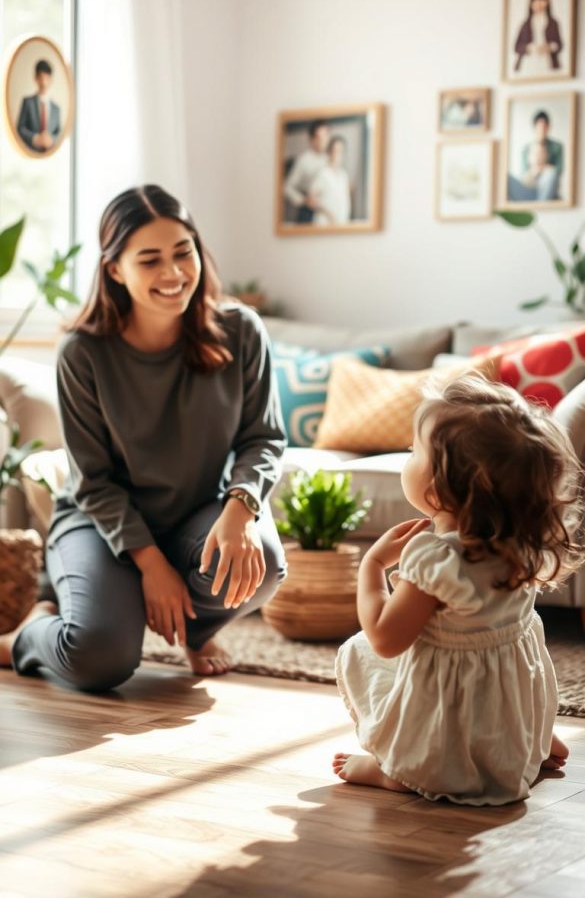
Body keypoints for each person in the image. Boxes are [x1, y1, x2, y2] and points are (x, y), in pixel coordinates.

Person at [0, 185, 287, 690]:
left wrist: (241, 508)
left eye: (183, 252)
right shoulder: (82, 352)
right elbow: (93, 480)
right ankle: (24, 636)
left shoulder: (241, 330)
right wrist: (151, 565)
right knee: (100, 659)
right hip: (98, 523)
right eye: (150, 260)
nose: (174, 274)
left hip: (194, 515)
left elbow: (263, 437)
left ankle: (196, 634)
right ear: (115, 270)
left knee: (260, 561)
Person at [333, 374, 584, 806]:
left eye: (414, 451)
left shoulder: (437, 560)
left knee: (360, 652)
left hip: (452, 716)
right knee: (489, 661)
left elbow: (385, 639)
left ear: (440, 486)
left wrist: (371, 566)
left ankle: (405, 769)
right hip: (501, 700)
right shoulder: (519, 545)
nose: (407, 457)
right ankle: (532, 742)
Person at [508, 110, 564, 202]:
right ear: (534, 127)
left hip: (547, 187)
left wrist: (543, 167)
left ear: (548, 127)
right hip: (529, 187)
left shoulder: (556, 147)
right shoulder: (526, 149)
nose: (542, 130)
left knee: (551, 174)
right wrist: (534, 171)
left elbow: (559, 169)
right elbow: (523, 174)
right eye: (539, 127)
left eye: (544, 126)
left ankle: (541, 207)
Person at [283, 120, 330, 224]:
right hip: (308, 212)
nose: (324, 141)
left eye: (326, 136)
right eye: (319, 137)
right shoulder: (303, 160)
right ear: (312, 140)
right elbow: (287, 187)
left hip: (326, 212)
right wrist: (304, 200)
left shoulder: (329, 160)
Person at [514, 0, 563, 76]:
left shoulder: (553, 23)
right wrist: (531, 48)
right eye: (536, 1)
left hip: (548, 64)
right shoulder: (525, 24)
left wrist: (550, 46)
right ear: (531, 3)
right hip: (528, 64)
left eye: (542, 1)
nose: (539, 4)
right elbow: (517, 46)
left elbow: (559, 45)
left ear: (547, 2)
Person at [16, 59, 62, 153]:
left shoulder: (56, 109)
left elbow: (58, 132)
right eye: (41, 78)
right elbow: (20, 128)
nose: (44, 82)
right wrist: (35, 138)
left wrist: (51, 139)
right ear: (36, 78)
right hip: (30, 153)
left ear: (51, 80)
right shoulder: (27, 102)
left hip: (50, 156)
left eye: (47, 78)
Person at [312, 135, 352, 225]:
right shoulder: (322, 174)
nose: (337, 154)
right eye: (335, 150)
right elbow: (312, 200)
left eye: (340, 151)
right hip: (324, 223)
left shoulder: (344, 175)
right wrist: (329, 214)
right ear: (329, 152)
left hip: (341, 223)